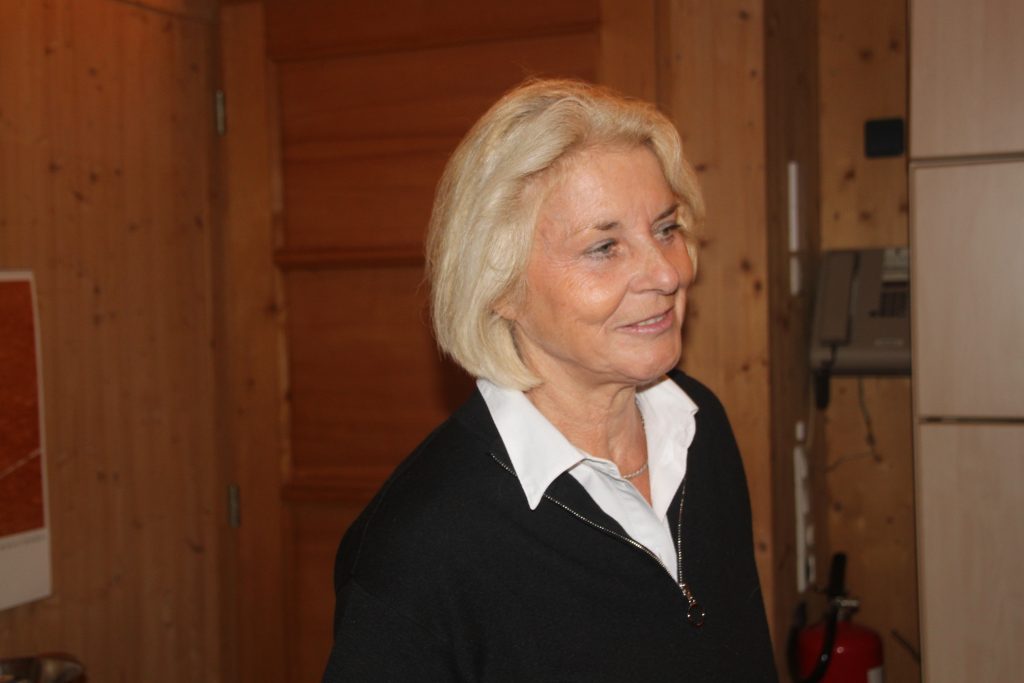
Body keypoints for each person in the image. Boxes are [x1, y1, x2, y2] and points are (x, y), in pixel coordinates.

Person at [322, 78, 777, 682]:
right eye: (605, 247)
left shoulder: (699, 425)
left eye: (666, 229)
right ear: (502, 285)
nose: (667, 273)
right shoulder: (420, 545)